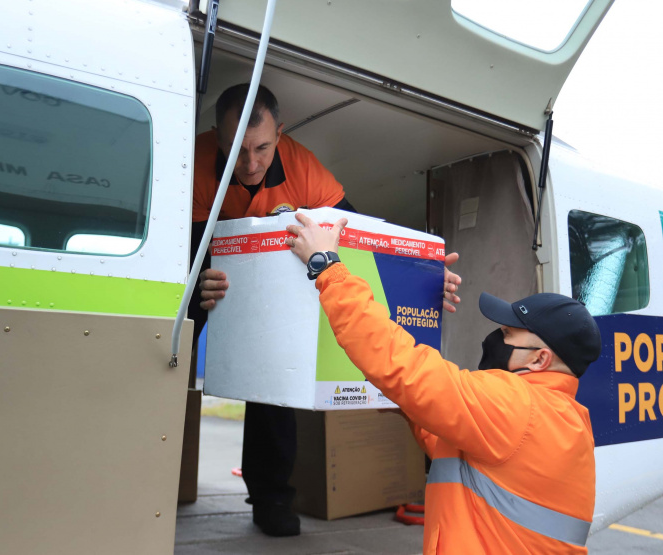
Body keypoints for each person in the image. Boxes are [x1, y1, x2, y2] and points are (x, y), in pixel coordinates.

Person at [284, 212, 602, 554]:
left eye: (508, 333)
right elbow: (456, 449)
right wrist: (411, 407)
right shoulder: (565, 417)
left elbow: (405, 366)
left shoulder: (518, 405)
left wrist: (328, 267)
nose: (496, 338)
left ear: (539, 359)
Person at [189, 83, 356, 537]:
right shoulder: (196, 160)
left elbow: (354, 231)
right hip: (208, 269)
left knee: (275, 366)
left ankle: (271, 498)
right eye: (237, 149)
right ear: (216, 136)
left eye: (262, 148)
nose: (250, 163)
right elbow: (188, 249)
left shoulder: (303, 168)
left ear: (280, 134)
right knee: (171, 345)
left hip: (271, 273)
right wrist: (199, 280)